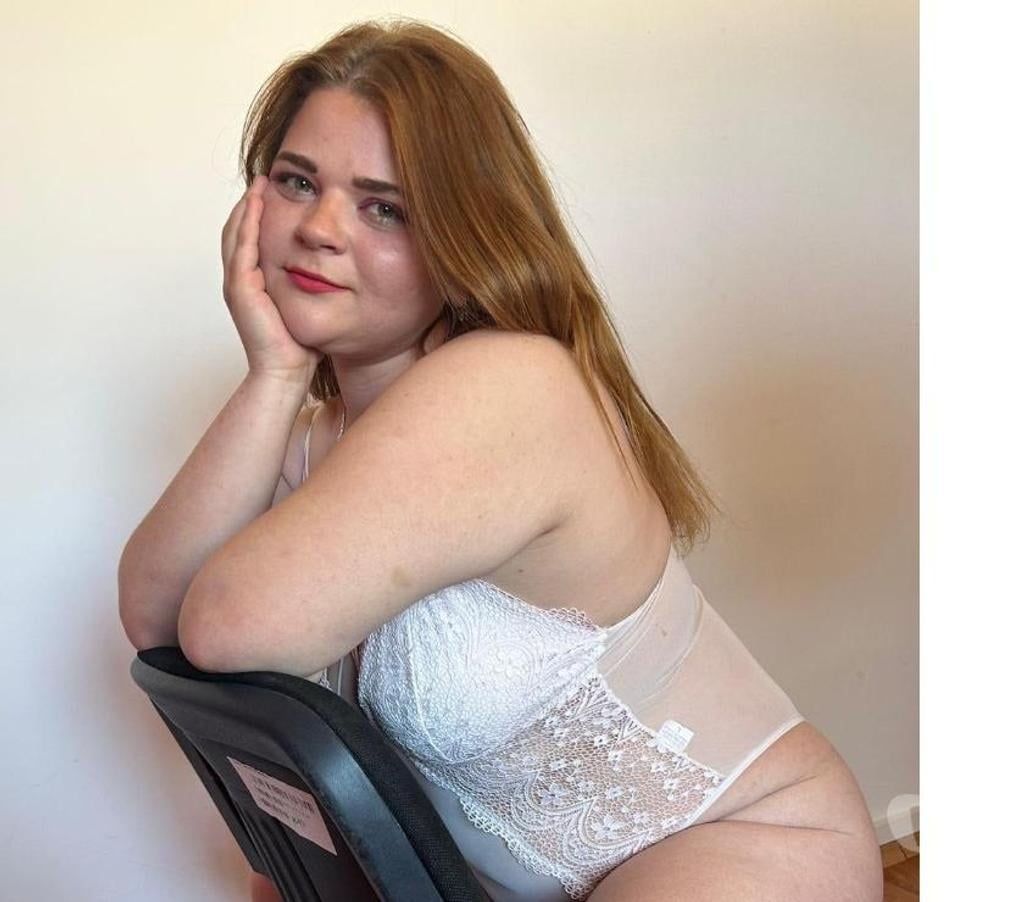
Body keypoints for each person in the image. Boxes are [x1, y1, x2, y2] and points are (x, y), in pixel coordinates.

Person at [118, 18, 883, 902]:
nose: (320, 228)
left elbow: (226, 629)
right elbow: (157, 618)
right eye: (297, 182)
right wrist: (274, 376)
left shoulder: (510, 382)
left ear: (463, 234)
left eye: (383, 207)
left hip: (735, 846)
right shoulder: (321, 432)